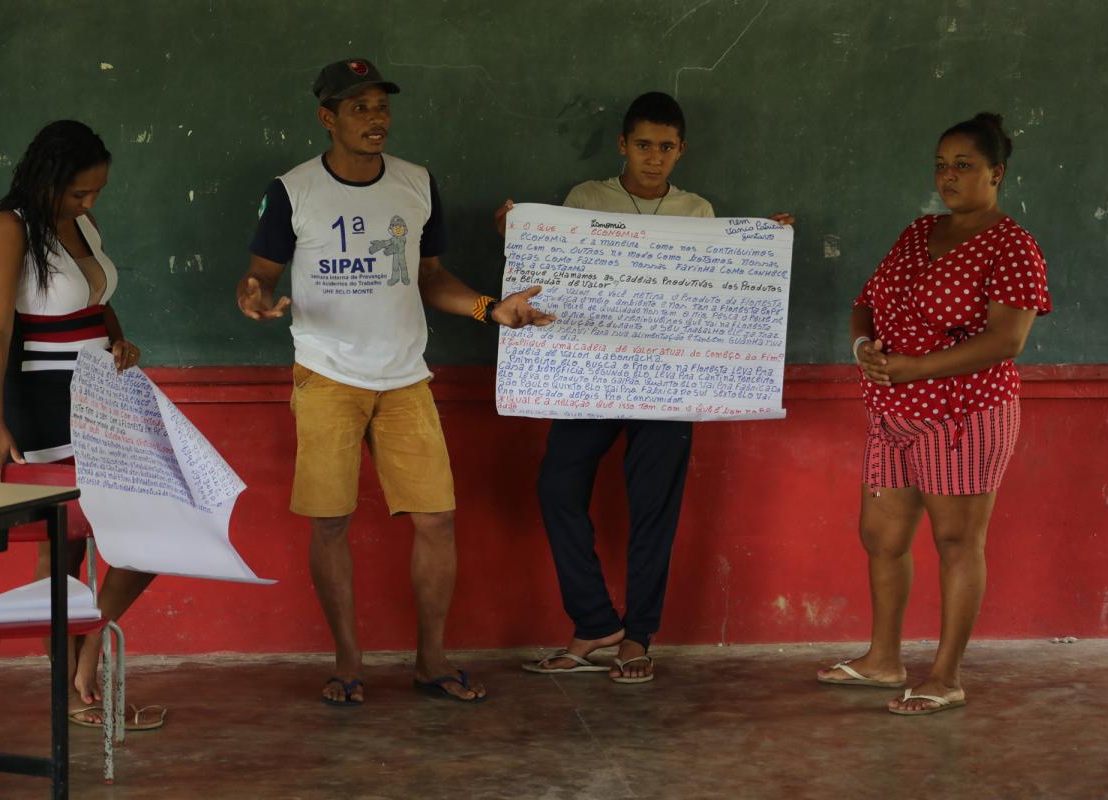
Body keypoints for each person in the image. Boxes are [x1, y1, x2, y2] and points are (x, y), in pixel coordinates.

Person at [237, 58, 553, 706]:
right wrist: (253, 295)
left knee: (437, 518)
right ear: (328, 118)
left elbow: (430, 277)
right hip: (326, 374)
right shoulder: (293, 190)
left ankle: (431, 663)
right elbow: (261, 274)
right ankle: (348, 664)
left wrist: (491, 310)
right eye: (359, 109)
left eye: (381, 107)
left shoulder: (417, 183)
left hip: (406, 377)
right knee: (330, 522)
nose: (375, 119)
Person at [498, 92, 793, 683]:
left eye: (665, 147)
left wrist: (765, 246)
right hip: (591, 373)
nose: (653, 158)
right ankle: (594, 621)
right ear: (622, 146)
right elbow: (557, 273)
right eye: (642, 145)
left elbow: (713, 290)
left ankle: (637, 637)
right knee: (558, 485)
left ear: (681, 150)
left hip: (669, 380)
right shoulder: (587, 199)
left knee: (653, 506)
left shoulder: (699, 211)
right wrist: (519, 231)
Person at [817, 112, 1051, 715]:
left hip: (964, 416)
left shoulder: (1012, 246)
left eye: (964, 166)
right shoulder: (916, 232)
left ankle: (945, 675)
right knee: (882, 537)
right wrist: (862, 347)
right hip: (892, 411)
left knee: (955, 539)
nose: (949, 176)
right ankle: (883, 660)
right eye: (942, 165)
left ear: (996, 174)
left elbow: (1006, 341)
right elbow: (865, 303)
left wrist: (915, 368)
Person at [0, 120, 164, 730]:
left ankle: (90, 649)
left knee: (157, 522)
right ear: (48, 178)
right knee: (66, 548)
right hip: (44, 401)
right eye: (79, 193)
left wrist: (120, 342)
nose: (88, 204)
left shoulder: (82, 225)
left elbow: (98, 300)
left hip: (104, 392)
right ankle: (74, 690)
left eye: (96, 193)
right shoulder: (8, 230)